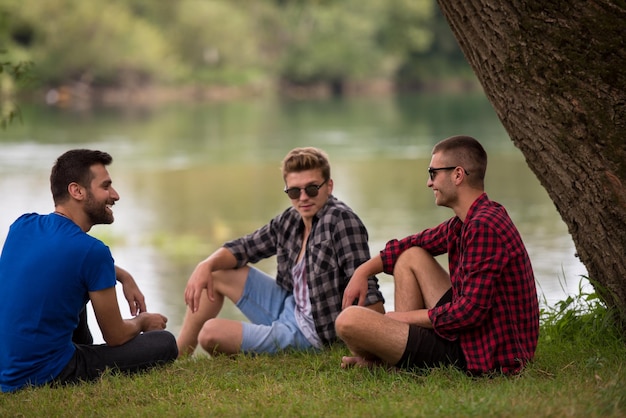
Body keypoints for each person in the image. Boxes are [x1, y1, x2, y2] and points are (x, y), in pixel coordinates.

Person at [336, 135, 539, 375]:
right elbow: (413, 242)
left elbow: (468, 313)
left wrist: (401, 318)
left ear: (458, 175)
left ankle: (398, 361)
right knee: (411, 256)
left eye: (433, 173)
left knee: (348, 321)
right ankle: (400, 358)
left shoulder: (484, 226)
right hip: (472, 338)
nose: (428, 183)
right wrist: (363, 271)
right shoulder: (468, 220)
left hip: (485, 354)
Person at [177, 147, 385, 357]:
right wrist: (205, 265)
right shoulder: (291, 219)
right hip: (289, 305)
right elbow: (245, 247)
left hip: (313, 332)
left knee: (210, 334)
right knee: (215, 272)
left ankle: (266, 344)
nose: (303, 198)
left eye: (312, 189)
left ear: (328, 186)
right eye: (294, 191)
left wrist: (376, 344)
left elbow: (365, 284)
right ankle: (178, 356)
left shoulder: (341, 221)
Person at [0, 149, 178, 393]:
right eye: (106, 186)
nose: (115, 195)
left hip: (7, 370)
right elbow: (116, 336)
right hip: (45, 374)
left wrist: (123, 275)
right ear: (77, 191)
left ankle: (84, 349)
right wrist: (142, 321)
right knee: (165, 343)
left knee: (74, 284)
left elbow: (62, 262)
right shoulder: (92, 251)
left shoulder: (22, 225)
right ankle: (84, 354)